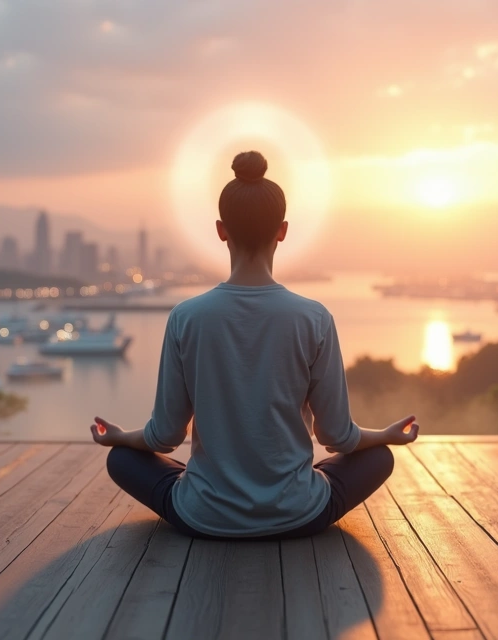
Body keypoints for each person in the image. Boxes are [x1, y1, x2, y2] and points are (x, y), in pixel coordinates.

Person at [89, 150, 419, 540]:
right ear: (282, 230)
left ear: (220, 229)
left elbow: (164, 438)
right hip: (300, 514)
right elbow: (337, 438)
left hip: (203, 518)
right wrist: (385, 435)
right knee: (378, 458)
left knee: (123, 460)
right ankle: (287, 495)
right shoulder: (314, 318)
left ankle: (210, 494)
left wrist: (120, 436)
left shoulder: (186, 317)